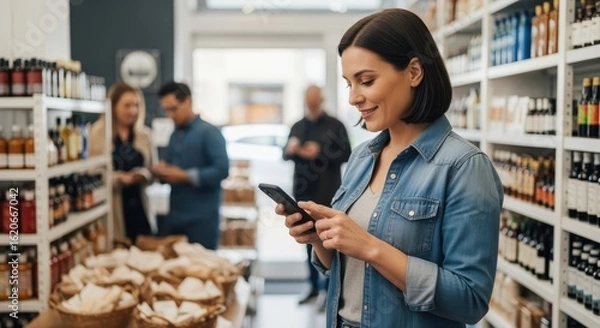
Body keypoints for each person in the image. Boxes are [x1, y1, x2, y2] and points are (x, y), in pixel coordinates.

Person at [276, 9, 503, 328]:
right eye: (349, 84)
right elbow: (349, 273)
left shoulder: (463, 167)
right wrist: (319, 238)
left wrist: (370, 247)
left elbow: (469, 300)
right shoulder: (361, 159)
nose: (355, 97)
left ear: (413, 72)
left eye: (366, 80)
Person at [283, 85, 351, 308]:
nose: (311, 106)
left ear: (321, 101)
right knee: (307, 240)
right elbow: (284, 155)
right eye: (308, 103)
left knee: (329, 242)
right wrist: (291, 149)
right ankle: (312, 287)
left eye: (315, 102)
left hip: (327, 194)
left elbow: (347, 154)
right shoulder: (297, 126)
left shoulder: (336, 125)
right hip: (303, 193)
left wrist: (320, 152)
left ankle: (329, 291)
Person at [150, 81, 229, 250]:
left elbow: (222, 170)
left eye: (173, 108)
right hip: (175, 217)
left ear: (188, 101)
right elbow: (171, 168)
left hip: (202, 221)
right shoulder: (174, 135)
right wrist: (162, 170)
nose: (170, 115)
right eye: (166, 110)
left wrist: (185, 176)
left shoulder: (210, 132)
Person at [89, 82, 157, 243]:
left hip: (140, 208)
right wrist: (117, 179)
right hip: (113, 210)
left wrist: (144, 175)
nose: (133, 110)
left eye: (136, 105)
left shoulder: (144, 135)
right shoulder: (98, 133)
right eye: (127, 105)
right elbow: (92, 174)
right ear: (113, 107)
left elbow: (153, 170)